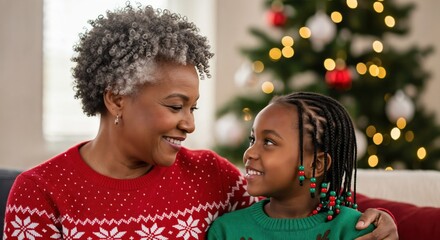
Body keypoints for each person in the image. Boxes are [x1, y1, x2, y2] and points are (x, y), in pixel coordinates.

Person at [3, 3, 397, 240]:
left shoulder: (210, 176)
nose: (189, 125)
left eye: (193, 108)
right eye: (176, 107)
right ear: (116, 98)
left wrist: (378, 218)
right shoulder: (40, 193)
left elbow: (298, 202)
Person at [207, 92, 381, 239]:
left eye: (268, 142)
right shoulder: (226, 230)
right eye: (252, 140)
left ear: (316, 164)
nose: (249, 153)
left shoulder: (355, 229)